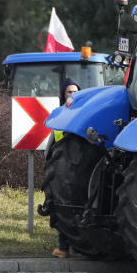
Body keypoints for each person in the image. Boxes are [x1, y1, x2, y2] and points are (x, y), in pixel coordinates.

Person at [52, 77, 81, 259]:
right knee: (62, 207)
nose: (72, 94)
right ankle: (63, 247)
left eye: (75, 91)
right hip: (64, 166)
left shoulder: (85, 111)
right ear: (63, 94)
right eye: (69, 92)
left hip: (79, 164)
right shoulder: (59, 113)